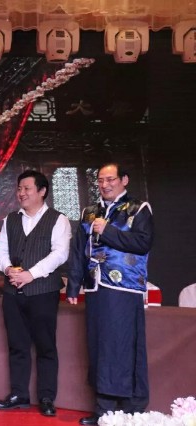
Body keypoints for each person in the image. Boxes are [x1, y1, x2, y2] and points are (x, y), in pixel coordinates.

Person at [66, 163, 153, 425]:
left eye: (110, 179)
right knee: (99, 346)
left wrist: (108, 231)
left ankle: (130, 409)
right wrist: (73, 284)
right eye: (101, 180)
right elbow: (78, 249)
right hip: (95, 287)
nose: (105, 185)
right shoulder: (89, 212)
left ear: (124, 180)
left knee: (123, 345)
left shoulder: (138, 208)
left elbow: (143, 243)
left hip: (124, 287)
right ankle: (104, 409)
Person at [0, 170, 71, 417]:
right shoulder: (11, 219)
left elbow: (60, 254)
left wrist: (31, 274)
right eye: (19, 188)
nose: (21, 193)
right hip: (13, 291)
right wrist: (7, 268)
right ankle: (19, 394)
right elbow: (0, 248)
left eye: (27, 188)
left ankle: (46, 397)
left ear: (42, 191)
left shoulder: (58, 219)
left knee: (46, 346)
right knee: (17, 344)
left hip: (43, 292)